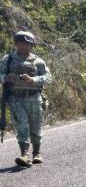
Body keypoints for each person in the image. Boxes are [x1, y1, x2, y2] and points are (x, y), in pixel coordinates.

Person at [0, 31, 52, 166]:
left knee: (35, 126)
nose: (24, 46)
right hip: (15, 98)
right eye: (21, 43)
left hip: (34, 98)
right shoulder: (8, 59)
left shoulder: (38, 61)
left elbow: (48, 78)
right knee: (22, 124)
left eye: (27, 44)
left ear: (32, 45)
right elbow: (0, 73)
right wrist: (5, 77)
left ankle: (37, 153)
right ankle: (24, 154)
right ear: (16, 44)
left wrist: (33, 79)